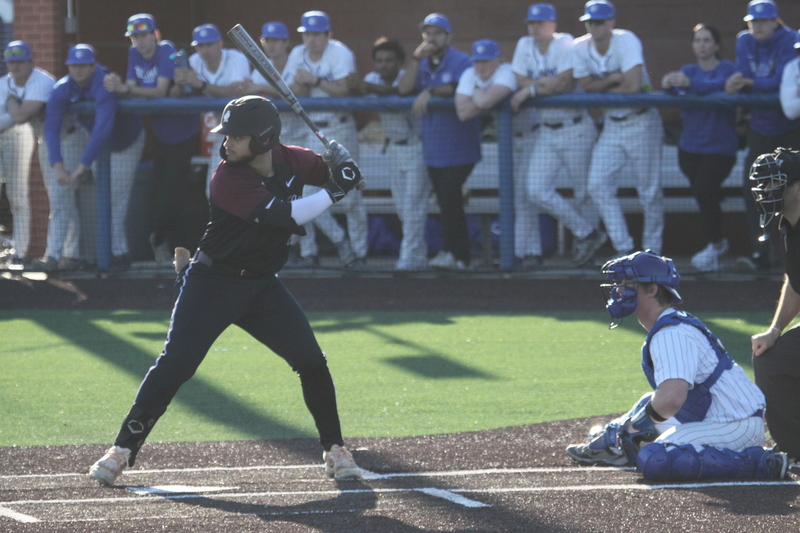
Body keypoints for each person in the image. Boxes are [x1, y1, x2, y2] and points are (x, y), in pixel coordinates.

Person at [88, 95, 364, 486]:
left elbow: (336, 174)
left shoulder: (293, 158)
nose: (227, 142)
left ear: (266, 139)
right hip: (212, 284)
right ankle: (122, 450)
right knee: (176, 365)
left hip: (262, 287)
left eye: (237, 136)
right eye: (227, 134)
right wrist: (338, 189)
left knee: (312, 362)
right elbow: (288, 216)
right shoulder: (227, 178)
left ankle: (336, 449)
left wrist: (344, 165)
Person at [565, 250, 789, 481]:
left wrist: (633, 427)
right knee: (647, 403)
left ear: (652, 290)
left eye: (627, 284)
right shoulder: (672, 324)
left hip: (732, 425)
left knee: (655, 458)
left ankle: (760, 463)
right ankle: (611, 444)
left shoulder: (671, 333)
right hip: (717, 413)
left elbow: (671, 400)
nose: (618, 291)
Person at [33, 44, 145, 272]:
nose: (79, 70)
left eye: (84, 65)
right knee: (63, 195)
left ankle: (118, 254)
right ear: (68, 66)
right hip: (96, 144)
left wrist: (82, 165)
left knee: (114, 199)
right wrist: (57, 165)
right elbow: (51, 128)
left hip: (125, 142)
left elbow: (103, 127)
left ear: (93, 65)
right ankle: (56, 255)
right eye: (74, 65)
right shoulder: (63, 87)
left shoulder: (104, 83)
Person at [510, 3, 606, 268]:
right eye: (531, 23)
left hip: (575, 127)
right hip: (547, 131)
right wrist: (540, 86)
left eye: (540, 23)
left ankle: (590, 254)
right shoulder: (523, 45)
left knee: (583, 193)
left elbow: (562, 83)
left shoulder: (565, 43)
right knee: (536, 189)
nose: (535, 27)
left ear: (553, 25)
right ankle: (587, 232)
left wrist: (531, 90)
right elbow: (519, 79)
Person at [104, 13, 200, 266]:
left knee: (171, 192)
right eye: (135, 36)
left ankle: (160, 240)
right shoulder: (133, 54)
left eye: (144, 35)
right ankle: (174, 250)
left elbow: (158, 91)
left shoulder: (166, 49)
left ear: (154, 35)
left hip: (184, 132)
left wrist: (127, 89)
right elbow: (134, 88)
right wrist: (126, 88)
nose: (140, 41)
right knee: (163, 193)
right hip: (159, 133)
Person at [571, 0, 665, 260]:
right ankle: (623, 246)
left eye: (599, 21)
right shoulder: (580, 46)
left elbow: (633, 86)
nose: (594, 26)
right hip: (612, 124)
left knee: (649, 191)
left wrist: (604, 86)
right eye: (589, 21)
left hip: (642, 121)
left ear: (611, 22)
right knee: (597, 185)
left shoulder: (626, 40)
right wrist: (613, 79)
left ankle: (652, 252)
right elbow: (587, 86)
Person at [282, 10, 366, 269]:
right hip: (311, 128)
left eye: (317, 34)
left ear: (327, 34)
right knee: (304, 195)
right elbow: (291, 91)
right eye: (307, 33)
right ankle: (334, 246)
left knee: (350, 195)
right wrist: (304, 84)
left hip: (339, 127)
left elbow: (344, 92)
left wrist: (315, 80)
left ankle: (360, 254)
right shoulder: (297, 54)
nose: (311, 39)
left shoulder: (340, 53)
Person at [398, 13, 481, 271]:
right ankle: (453, 254)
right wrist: (414, 58)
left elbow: (462, 86)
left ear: (448, 36)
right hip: (433, 147)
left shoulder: (462, 60)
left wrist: (431, 91)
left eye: (436, 33)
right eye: (427, 33)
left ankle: (459, 255)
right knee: (446, 200)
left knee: (449, 196)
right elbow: (403, 89)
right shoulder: (421, 63)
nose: (431, 38)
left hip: (460, 146)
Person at [454, 38, 541, 270]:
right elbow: (462, 113)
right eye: (478, 61)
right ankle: (522, 253)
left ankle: (527, 252)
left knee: (527, 195)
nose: (481, 67)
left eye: (486, 61)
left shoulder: (507, 72)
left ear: (498, 60)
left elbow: (484, 100)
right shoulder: (470, 73)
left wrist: (478, 96)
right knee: (518, 197)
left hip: (534, 136)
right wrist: (482, 98)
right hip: (511, 141)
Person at [726, 0, 800, 272]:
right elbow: (744, 75)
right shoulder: (744, 41)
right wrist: (739, 82)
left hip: (792, 130)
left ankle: (791, 252)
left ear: (775, 20)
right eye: (752, 21)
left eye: (762, 21)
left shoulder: (792, 40)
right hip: (761, 127)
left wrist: (748, 84)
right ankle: (763, 251)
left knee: (793, 193)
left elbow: (782, 82)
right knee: (753, 189)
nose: (756, 26)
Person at [346, 38, 430, 271]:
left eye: (390, 61)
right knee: (403, 208)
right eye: (380, 61)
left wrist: (367, 87)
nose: (385, 65)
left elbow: (397, 93)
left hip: (416, 147)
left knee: (414, 206)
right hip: (394, 148)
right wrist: (353, 85)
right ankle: (419, 255)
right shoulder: (372, 79)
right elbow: (360, 93)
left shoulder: (408, 77)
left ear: (400, 62)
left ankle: (407, 258)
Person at [662, 25, 739, 273]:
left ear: (716, 45)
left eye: (707, 40)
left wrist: (690, 84)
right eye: (697, 40)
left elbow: (723, 86)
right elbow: (678, 88)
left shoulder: (728, 69)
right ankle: (715, 246)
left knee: (706, 190)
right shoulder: (688, 70)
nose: (702, 45)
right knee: (704, 194)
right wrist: (668, 83)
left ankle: (715, 245)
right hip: (689, 148)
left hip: (719, 148)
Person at [749, 147, 800, 466]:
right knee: (771, 358)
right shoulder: (786, 226)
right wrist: (775, 329)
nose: (765, 191)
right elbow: (795, 282)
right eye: (764, 184)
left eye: (773, 184)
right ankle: (796, 449)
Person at [174, 23, 250, 198]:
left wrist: (201, 84)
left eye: (209, 44)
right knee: (214, 191)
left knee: (246, 189)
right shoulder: (193, 61)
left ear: (220, 43)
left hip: (247, 130)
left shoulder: (236, 58)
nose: (205, 50)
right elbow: (176, 93)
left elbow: (236, 92)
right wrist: (180, 83)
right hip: (224, 131)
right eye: (201, 46)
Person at [0, 41, 54, 269]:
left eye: (20, 61)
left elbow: (20, 118)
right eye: (12, 62)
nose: (15, 66)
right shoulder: (3, 83)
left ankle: (21, 253)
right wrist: (13, 106)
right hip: (11, 131)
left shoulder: (41, 80)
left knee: (18, 194)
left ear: (30, 62)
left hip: (32, 134)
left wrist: (12, 105)